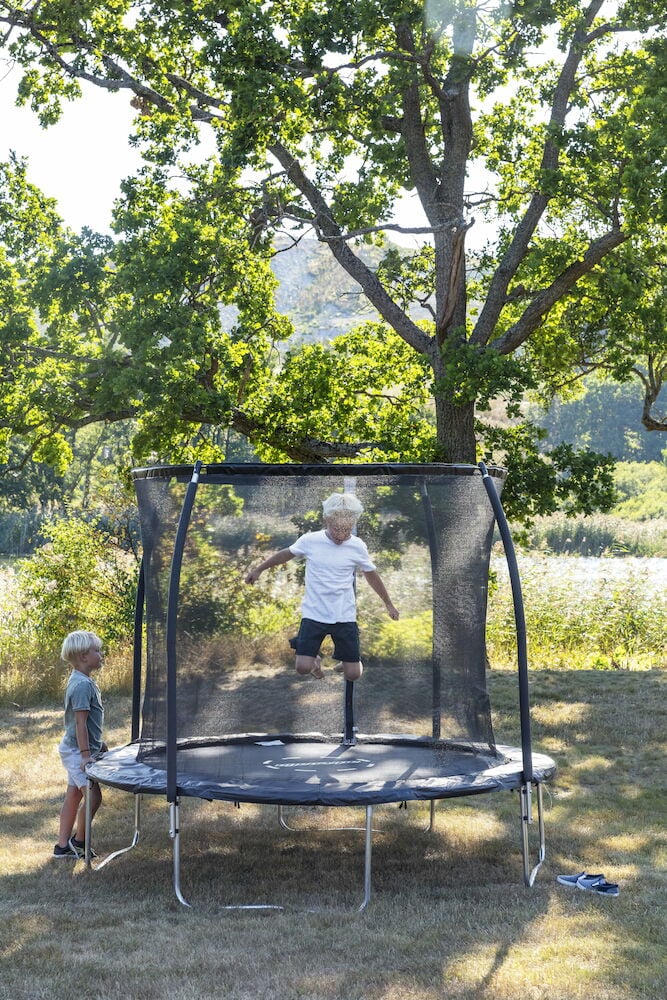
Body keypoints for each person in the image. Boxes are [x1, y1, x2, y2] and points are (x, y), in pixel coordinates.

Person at [245, 492, 399, 681]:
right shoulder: (310, 541)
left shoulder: (357, 546)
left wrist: (388, 604)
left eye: (347, 529)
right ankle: (315, 661)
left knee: (353, 674)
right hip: (314, 613)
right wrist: (259, 569)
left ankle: (347, 660)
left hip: (344, 614)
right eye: (337, 529)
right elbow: (286, 554)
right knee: (302, 668)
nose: (342, 535)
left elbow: (372, 576)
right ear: (326, 519)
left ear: (354, 522)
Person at [53, 630, 107, 859]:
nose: (101, 654)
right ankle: (79, 842)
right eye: (97, 650)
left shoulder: (82, 681)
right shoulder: (82, 685)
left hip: (76, 747)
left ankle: (62, 846)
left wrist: (98, 744)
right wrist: (86, 754)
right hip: (77, 751)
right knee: (94, 797)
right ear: (84, 656)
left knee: (74, 795)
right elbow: (80, 723)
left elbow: (87, 724)